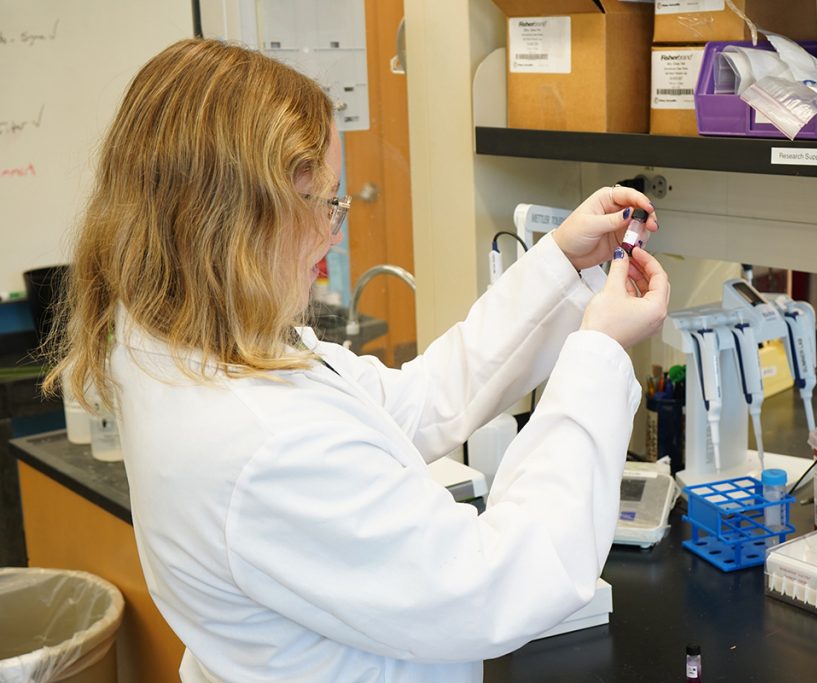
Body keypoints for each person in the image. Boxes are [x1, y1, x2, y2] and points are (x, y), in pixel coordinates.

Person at [44, 39, 670, 682]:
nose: (335, 229)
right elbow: (499, 582)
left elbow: (419, 400)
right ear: (240, 218)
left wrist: (559, 265)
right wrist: (596, 354)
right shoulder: (261, 442)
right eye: (325, 203)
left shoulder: (179, 333)